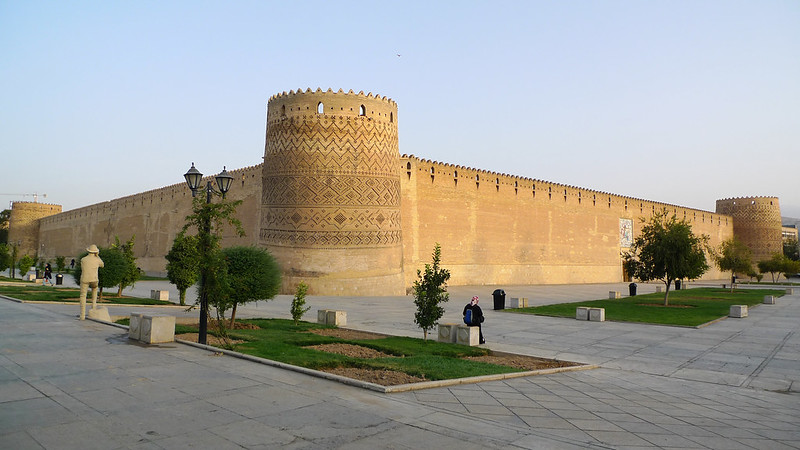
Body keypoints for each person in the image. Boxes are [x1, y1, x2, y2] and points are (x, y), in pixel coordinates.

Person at [79, 245, 104, 320]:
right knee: (95, 289)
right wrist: (97, 256)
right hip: (94, 279)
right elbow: (102, 265)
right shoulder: (97, 260)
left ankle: (82, 315)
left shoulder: (83, 259)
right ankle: (93, 307)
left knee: (83, 296)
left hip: (84, 279)